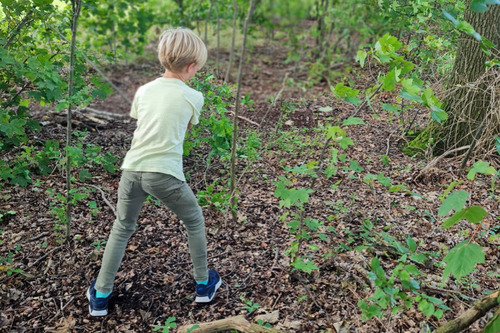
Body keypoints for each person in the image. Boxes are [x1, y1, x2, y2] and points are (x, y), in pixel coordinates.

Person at [86, 27, 221, 316]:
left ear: (163, 59)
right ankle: (203, 285)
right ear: (192, 66)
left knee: (122, 227)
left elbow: (143, 121)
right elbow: (184, 128)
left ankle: (100, 295)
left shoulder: (144, 91)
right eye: (197, 68)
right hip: (163, 173)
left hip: (132, 169)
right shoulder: (193, 96)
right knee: (194, 219)